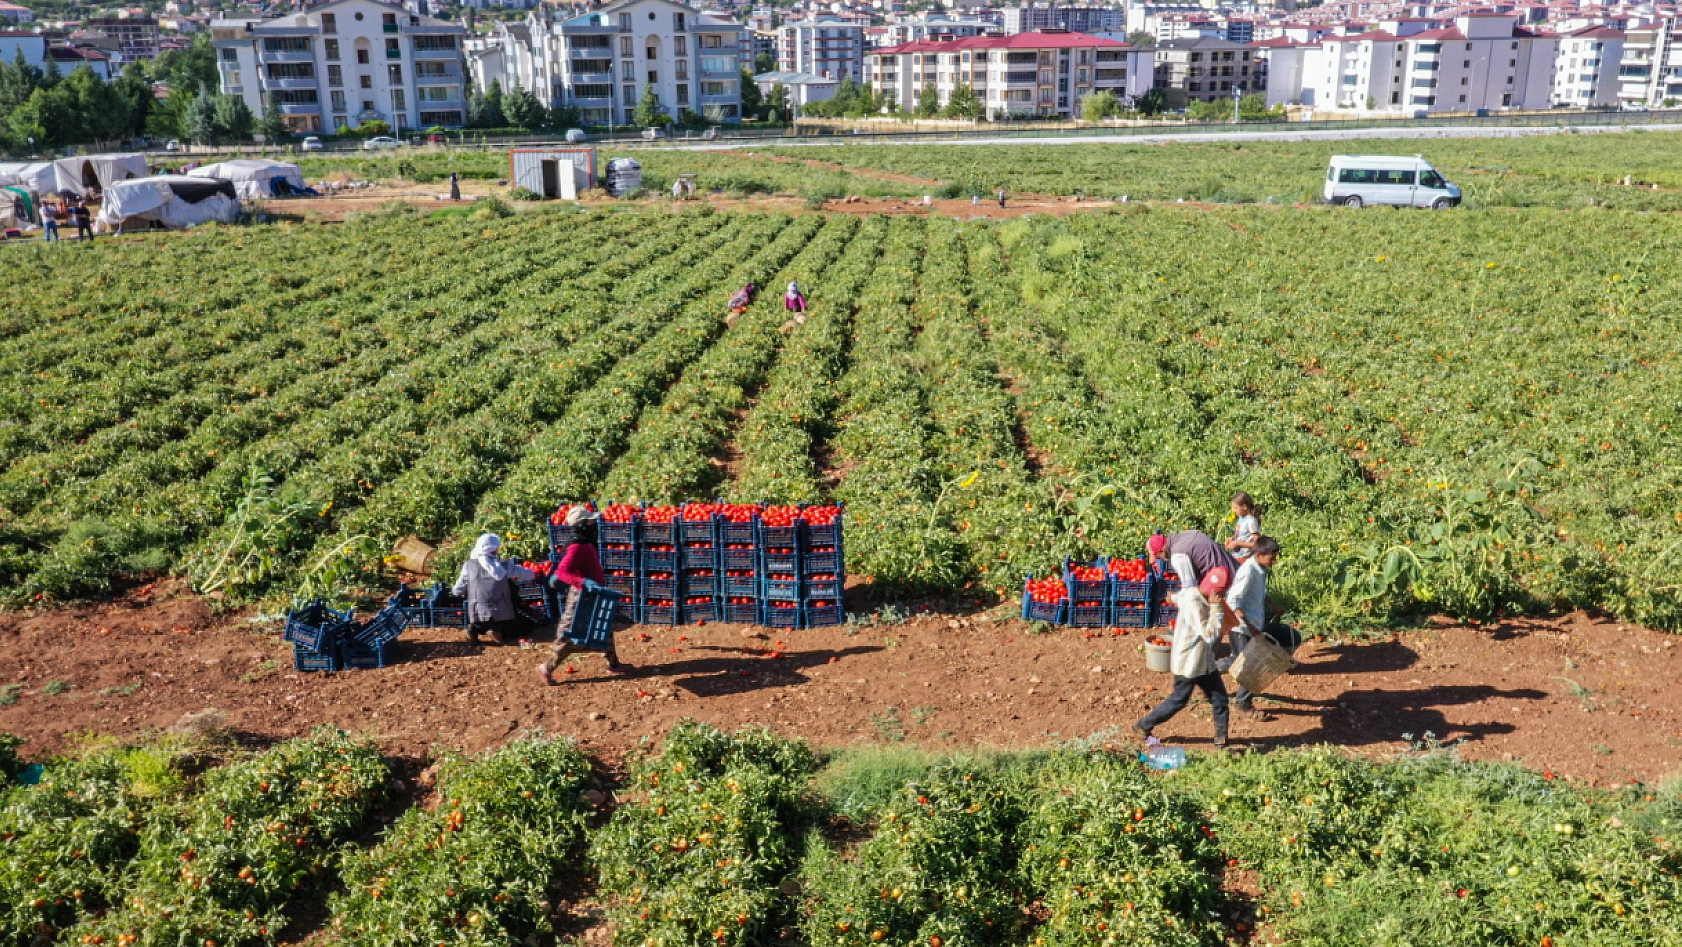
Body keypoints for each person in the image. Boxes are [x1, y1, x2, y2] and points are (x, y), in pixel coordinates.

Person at [1135, 566, 1231, 747]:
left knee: (1220, 698)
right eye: (1222, 593)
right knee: (1179, 700)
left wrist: (1172, 598)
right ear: (1215, 593)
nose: (1223, 596)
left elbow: (1178, 597)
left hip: (1204, 661)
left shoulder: (1192, 593)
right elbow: (1210, 634)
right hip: (1189, 663)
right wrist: (1216, 609)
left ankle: (1221, 740)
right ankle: (1143, 725)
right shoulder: (1197, 605)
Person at [536, 507, 630, 683]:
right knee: (568, 634)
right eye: (590, 522)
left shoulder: (584, 542)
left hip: (594, 594)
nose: (593, 524)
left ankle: (614, 664)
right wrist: (584, 582)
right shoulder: (577, 545)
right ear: (582, 525)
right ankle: (546, 668)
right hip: (582, 596)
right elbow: (563, 571)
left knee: (605, 626)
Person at [1223, 536, 1299, 716]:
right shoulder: (1248, 571)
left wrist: (1274, 607)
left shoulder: (1261, 568)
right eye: (1271, 558)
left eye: (1275, 558)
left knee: (1242, 662)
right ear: (1258, 555)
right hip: (1241, 627)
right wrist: (1250, 626)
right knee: (1251, 666)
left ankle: (1204, 673)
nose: (1274, 562)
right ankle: (1242, 703)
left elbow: (1261, 592)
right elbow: (1233, 602)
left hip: (1253, 625)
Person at [452, 533, 538, 645]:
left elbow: (456, 590)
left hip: (477, 616)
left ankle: (473, 629)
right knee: (527, 625)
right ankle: (498, 632)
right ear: (495, 549)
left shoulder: (468, 566)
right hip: (501, 616)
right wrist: (534, 573)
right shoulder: (504, 565)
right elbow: (529, 574)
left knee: (480, 621)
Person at [1147, 529, 1238, 593]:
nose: (1158, 559)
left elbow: (1190, 590)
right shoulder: (1188, 534)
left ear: (1161, 550)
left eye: (1157, 556)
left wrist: (1173, 598)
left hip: (1228, 584)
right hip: (1237, 570)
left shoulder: (1178, 555)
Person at [1225, 491, 1262, 559]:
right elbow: (1242, 535)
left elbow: (1257, 543)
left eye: (1235, 508)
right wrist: (1233, 538)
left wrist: (1238, 544)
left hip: (1246, 557)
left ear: (1245, 507)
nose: (1233, 510)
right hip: (1237, 555)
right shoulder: (1241, 518)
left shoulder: (1251, 521)